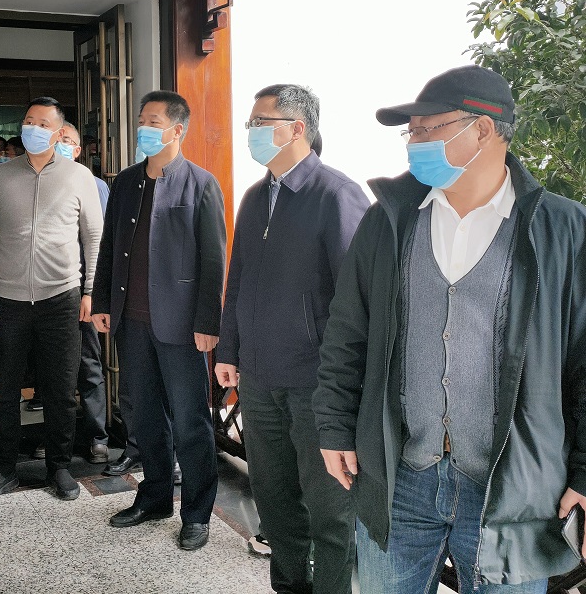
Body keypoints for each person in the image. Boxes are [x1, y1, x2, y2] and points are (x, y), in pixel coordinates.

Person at [313, 65, 586, 593]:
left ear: (482, 129)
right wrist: (335, 427)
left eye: (427, 129)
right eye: (410, 133)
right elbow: (347, 332)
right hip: (400, 476)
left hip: (512, 491)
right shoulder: (390, 220)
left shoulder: (564, 231)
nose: (413, 143)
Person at [216, 84, 369, 594]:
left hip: (316, 387)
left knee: (330, 512)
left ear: (297, 128)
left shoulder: (336, 195)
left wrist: (347, 386)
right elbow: (239, 279)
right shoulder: (256, 196)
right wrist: (230, 350)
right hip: (260, 381)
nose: (251, 132)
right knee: (275, 503)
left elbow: (359, 300)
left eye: (260, 123)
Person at [92, 90, 227, 552]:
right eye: (141, 120)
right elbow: (109, 246)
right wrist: (102, 300)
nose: (143, 128)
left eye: (153, 121)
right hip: (131, 321)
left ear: (177, 129)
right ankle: (153, 499)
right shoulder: (126, 182)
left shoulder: (200, 184)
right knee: (144, 417)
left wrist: (209, 321)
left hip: (183, 325)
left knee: (191, 421)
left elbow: (214, 260)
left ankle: (197, 513)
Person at [0, 97, 103, 504]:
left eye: (42, 123)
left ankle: (59, 467)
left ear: (59, 132)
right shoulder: (0, 176)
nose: (33, 128)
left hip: (62, 298)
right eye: (28, 121)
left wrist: (91, 290)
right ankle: (3, 470)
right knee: (5, 390)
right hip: (7, 299)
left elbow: (93, 236)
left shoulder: (79, 176)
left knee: (60, 389)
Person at [56, 123, 109, 463]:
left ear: (77, 150)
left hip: (84, 290)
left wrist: (93, 291)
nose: (58, 145)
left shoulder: (95, 185)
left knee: (88, 365)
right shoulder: (36, 182)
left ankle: (97, 436)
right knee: (53, 368)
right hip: (47, 292)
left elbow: (102, 242)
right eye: (55, 139)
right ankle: (57, 438)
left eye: (66, 141)